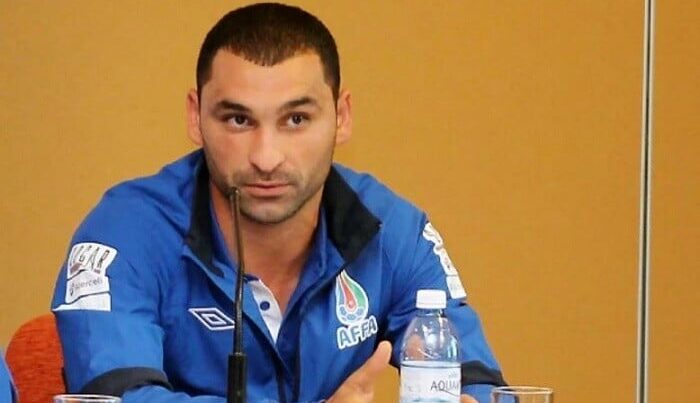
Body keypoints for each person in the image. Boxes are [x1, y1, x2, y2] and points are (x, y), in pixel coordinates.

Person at [51, 3, 505, 402]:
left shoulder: (392, 231)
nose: (266, 158)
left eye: (296, 119)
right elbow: (114, 398)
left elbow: (477, 380)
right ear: (195, 117)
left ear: (341, 117)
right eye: (238, 119)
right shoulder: (125, 232)